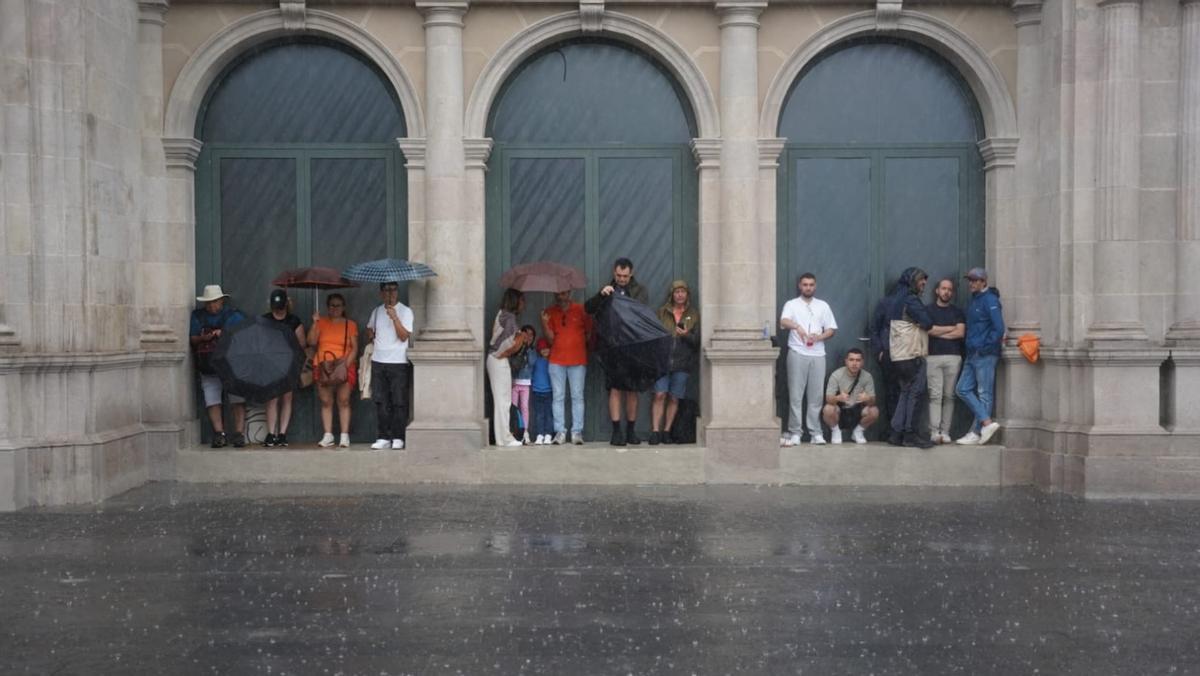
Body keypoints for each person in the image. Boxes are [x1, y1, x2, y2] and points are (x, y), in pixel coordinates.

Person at [585, 258, 650, 447]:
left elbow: (641, 313)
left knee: (632, 390)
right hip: (611, 348)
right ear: (614, 273)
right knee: (614, 389)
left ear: (631, 273)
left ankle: (631, 431)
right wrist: (601, 296)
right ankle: (616, 432)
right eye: (619, 276)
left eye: (625, 276)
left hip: (633, 347)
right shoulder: (607, 290)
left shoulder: (640, 291)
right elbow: (588, 308)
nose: (622, 279)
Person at [779, 272, 837, 446]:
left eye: (811, 284)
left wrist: (818, 337)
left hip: (818, 354)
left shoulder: (823, 306)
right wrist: (798, 327)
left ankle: (815, 432)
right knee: (796, 395)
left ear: (815, 286)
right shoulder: (791, 304)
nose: (808, 287)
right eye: (805, 284)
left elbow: (831, 329)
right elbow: (784, 320)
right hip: (797, 352)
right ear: (799, 286)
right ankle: (795, 431)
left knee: (816, 396)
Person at [189, 284, 247, 448]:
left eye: (214, 302)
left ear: (221, 301)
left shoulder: (234, 315)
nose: (211, 306)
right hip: (208, 364)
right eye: (208, 303)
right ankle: (219, 433)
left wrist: (224, 333)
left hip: (231, 364)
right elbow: (193, 338)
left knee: (237, 399)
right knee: (212, 400)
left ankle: (239, 433)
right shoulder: (197, 316)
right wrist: (204, 338)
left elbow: (244, 334)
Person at [882, 267, 934, 448]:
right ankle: (910, 435)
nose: (924, 284)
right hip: (912, 353)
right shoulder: (911, 300)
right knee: (915, 394)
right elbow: (928, 322)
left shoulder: (895, 300)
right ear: (912, 281)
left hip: (898, 355)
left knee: (905, 393)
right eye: (921, 280)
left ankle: (896, 433)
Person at [956, 267, 1006, 445]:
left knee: (984, 393)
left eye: (975, 280)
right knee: (962, 389)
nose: (971, 283)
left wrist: (984, 347)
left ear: (983, 281)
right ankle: (985, 422)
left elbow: (999, 328)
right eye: (969, 280)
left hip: (984, 354)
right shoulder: (974, 300)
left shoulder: (990, 300)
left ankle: (977, 432)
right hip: (972, 353)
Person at [651, 280, 700, 445]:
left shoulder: (694, 315)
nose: (680, 295)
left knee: (674, 398)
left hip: (682, 363)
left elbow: (697, 342)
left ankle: (667, 431)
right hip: (662, 361)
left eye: (683, 292)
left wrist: (686, 334)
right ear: (672, 294)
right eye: (676, 292)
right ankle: (655, 431)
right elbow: (653, 335)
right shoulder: (662, 313)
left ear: (687, 295)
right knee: (659, 395)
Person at [366, 282, 413, 451]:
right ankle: (383, 436)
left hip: (398, 362)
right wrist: (371, 334)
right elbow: (369, 330)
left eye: (393, 289)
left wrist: (394, 318)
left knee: (399, 401)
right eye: (387, 290)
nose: (390, 293)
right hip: (379, 361)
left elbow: (403, 336)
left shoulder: (406, 311)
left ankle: (398, 436)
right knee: (381, 401)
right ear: (381, 293)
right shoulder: (377, 311)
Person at [542, 289, 592, 445]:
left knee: (577, 396)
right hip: (556, 360)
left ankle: (577, 432)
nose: (559, 296)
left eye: (563, 293)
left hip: (577, 359)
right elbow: (550, 340)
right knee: (558, 396)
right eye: (557, 293)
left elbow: (589, 333)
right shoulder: (549, 312)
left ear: (569, 293)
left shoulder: (581, 309)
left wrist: (578, 345)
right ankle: (560, 432)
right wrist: (544, 323)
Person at [308, 293, 358, 449]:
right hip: (323, 365)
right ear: (327, 307)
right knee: (326, 401)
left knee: (343, 401)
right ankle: (328, 435)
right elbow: (311, 342)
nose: (335, 308)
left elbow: (355, 348)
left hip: (343, 364)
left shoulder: (350, 324)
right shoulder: (320, 322)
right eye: (331, 305)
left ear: (343, 307)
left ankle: (344, 436)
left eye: (338, 305)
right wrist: (314, 323)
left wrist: (345, 365)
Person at [261, 289, 305, 447]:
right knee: (272, 398)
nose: (278, 310)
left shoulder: (294, 321)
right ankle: (271, 433)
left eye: (280, 306)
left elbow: (302, 344)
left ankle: (282, 434)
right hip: (270, 363)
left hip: (289, 363)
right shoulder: (265, 320)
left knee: (287, 398)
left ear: (287, 304)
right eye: (276, 306)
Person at [487, 288, 530, 447]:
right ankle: (504, 438)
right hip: (498, 361)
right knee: (503, 401)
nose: (524, 304)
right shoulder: (509, 318)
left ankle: (503, 437)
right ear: (516, 301)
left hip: (494, 360)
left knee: (502, 400)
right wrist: (520, 338)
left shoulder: (502, 314)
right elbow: (508, 347)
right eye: (522, 300)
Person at [926, 278, 966, 444]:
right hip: (932, 357)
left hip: (953, 357)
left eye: (949, 289)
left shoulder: (957, 311)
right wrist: (951, 328)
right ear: (937, 290)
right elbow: (928, 330)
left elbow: (960, 333)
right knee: (935, 395)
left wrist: (939, 332)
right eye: (943, 288)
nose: (946, 292)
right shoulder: (927, 310)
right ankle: (934, 432)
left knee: (949, 396)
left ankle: (946, 431)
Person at [821, 348, 879, 444]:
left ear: (862, 362)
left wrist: (867, 398)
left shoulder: (867, 376)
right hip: (841, 410)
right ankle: (835, 431)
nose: (854, 363)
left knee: (874, 411)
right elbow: (828, 398)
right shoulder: (836, 375)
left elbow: (873, 401)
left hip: (857, 409)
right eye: (851, 360)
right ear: (846, 361)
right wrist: (838, 398)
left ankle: (858, 431)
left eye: (858, 360)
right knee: (828, 409)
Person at [510, 325, 537, 445]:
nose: (529, 337)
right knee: (513, 408)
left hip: (525, 382)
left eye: (531, 335)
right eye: (526, 334)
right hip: (514, 382)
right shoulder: (516, 348)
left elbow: (532, 362)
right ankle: (513, 431)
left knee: (524, 408)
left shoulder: (531, 351)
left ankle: (525, 431)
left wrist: (526, 348)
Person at [530, 338, 554, 445]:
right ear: (539, 350)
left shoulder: (552, 362)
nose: (545, 351)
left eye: (547, 349)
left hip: (549, 392)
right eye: (542, 349)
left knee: (549, 414)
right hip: (537, 391)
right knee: (539, 414)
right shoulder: (536, 361)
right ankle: (540, 435)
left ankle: (548, 434)